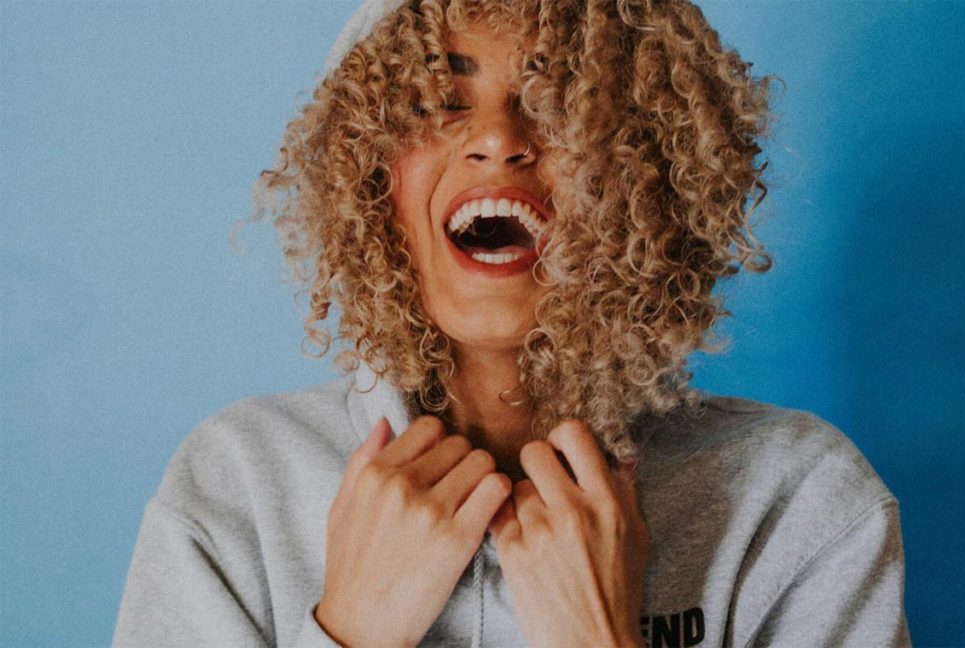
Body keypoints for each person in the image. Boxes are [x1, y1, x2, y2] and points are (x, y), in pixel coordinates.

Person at [113, 1, 912, 646]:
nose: (498, 140)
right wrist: (350, 631)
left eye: (561, 102)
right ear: (365, 179)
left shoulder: (800, 504)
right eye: (436, 104)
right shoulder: (239, 485)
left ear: (654, 174)